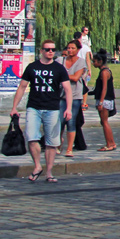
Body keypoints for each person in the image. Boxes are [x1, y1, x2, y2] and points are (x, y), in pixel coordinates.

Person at [10, 40, 73, 183]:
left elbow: (68, 89)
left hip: (52, 108)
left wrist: (68, 109)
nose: (51, 52)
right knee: (32, 137)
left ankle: (49, 172)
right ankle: (38, 166)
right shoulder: (32, 67)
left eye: (53, 49)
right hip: (34, 107)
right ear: (41, 51)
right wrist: (14, 107)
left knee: (51, 143)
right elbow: (22, 87)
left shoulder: (59, 68)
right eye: (47, 49)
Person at [60, 39, 87, 157]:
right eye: (68, 48)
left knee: (71, 121)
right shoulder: (60, 60)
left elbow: (76, 77)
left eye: (73, 48)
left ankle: (69, 148)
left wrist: (61, 75)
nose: (70, 50)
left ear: (78, 50)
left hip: (75, 95)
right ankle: (57, 145)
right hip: (61, 95)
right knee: (59, 121)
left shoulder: (81, 62)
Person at [91, 49, 116, 151]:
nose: (93, 63)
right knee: (103, 122)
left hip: (105, 100)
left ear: (100, 61)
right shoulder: (106, 71)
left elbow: (104, 88)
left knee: (104, 122)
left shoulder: (104, 72)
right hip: (106, 99)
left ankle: (110, 143)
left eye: (95, 61)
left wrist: (101, 102)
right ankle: (111, 143)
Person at [77, 27, 94, 109]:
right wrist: (89, 69)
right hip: (83, 68)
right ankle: (84, 103)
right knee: (84, 86)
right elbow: (88, 60)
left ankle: (76, 101)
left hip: (74, 68)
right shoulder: (85, 47)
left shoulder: (72, 46)